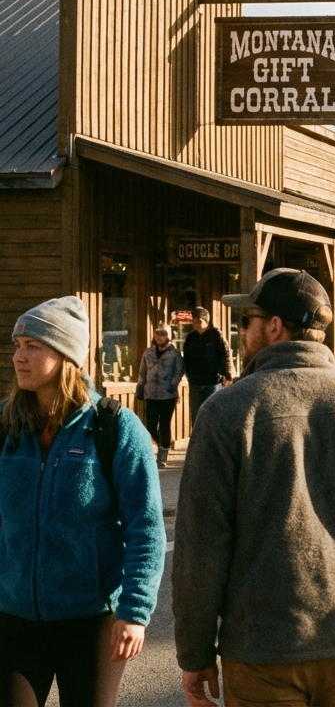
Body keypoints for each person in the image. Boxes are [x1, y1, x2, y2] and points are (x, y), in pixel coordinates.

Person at [172, 269, 335, 707]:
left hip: (262, 647)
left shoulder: (226, 411)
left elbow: (201, 545)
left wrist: (195, 652)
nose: (240, 331)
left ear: (274, 326)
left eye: (245, 321)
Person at [0, 297, 166, 707]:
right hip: (14, 616)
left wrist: (135, 611)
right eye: (17, 345)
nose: (19, 357)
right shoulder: (5, 424)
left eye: (32, 347)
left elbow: (146, 527)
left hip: (91, 618)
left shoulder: (113, 426)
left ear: (66, 356)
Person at [136, 324, 185, 468]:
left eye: (163, 334)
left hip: (168, 394)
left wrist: (172, 384)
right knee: (150, 425)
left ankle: (162, 456)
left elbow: (179, 371)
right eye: (157, 334)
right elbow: (142, 372)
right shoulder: (148, 353)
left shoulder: (175, 353)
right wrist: (140, 388)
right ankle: (163, 444)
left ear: (168, 336)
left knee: (164, 424)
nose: (159, 337)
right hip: (151, 393)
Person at [182, 307, 232, 424]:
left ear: (206, 321)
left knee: (212, 415)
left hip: (213, 383)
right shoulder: (190, 338)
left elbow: (226, 355)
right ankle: (197, 441)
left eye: (199, 321)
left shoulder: (216, 335)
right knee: (196, 417)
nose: (196, 324)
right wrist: (188, 375)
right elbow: (186, 359)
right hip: (195, 383)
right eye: (193, 321)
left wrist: (227, 375)